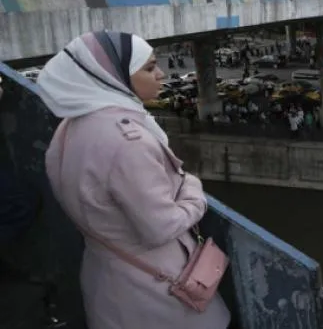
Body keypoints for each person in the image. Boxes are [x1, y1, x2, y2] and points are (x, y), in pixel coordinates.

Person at [36, 31, 230, 329]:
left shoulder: (68, 128)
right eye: (150, 68)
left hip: (106, 276)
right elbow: (160, 227)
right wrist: (193, 189)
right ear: (113, 76)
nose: (161, 74)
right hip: (156, 293)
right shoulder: (127, 141)